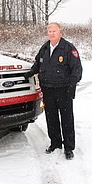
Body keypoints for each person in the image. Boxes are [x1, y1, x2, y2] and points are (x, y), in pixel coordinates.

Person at [24, 22, 82, 160]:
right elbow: (38, 64)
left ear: (60, 32)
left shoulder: (68, 48)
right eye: (49, 31)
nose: (51, 33)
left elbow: (77, 69)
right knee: (52, 119)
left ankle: (68, 147)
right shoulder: (44, 48)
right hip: (48, 90)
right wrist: (30, 73)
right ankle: (55, 143)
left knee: (67, 119)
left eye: (54, 31)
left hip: (64, 90)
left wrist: (72, 87)